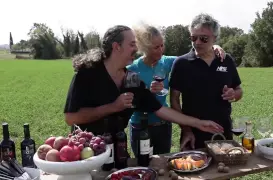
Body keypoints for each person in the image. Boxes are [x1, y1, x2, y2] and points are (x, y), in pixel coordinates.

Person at [64, 25, 224, 142]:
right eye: (132, 44)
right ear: (116, 47)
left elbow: (160, 109)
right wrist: (113, 107)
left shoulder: (131, 79)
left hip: (116, 146)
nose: (137, 48)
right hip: (85, 150)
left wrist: (199, 123)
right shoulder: (88, 73)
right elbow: (71, 117)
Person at [126, 23, 226, 157]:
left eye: (162, 45)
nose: (161, 50)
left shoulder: (167, 62)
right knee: (143, 164)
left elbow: (192, 57)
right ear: (145, 48)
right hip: (140, 127)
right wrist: (146, 93)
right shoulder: (132, 69)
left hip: (164, 125)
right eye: (156, 47)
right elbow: (131, 103)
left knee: (163, 163)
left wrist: (213, 46)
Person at [169, 13, 243, 151]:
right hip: (193, 135)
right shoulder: (181, 63)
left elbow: (239, 90)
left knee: (225, 170)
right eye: (193, 37)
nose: (197, 42)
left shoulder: (226, 60)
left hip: (222, 131)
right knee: (193, 169)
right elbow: (174, 100)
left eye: (203, 38)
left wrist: (234, 94)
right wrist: (186, 129)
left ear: (214, 38)